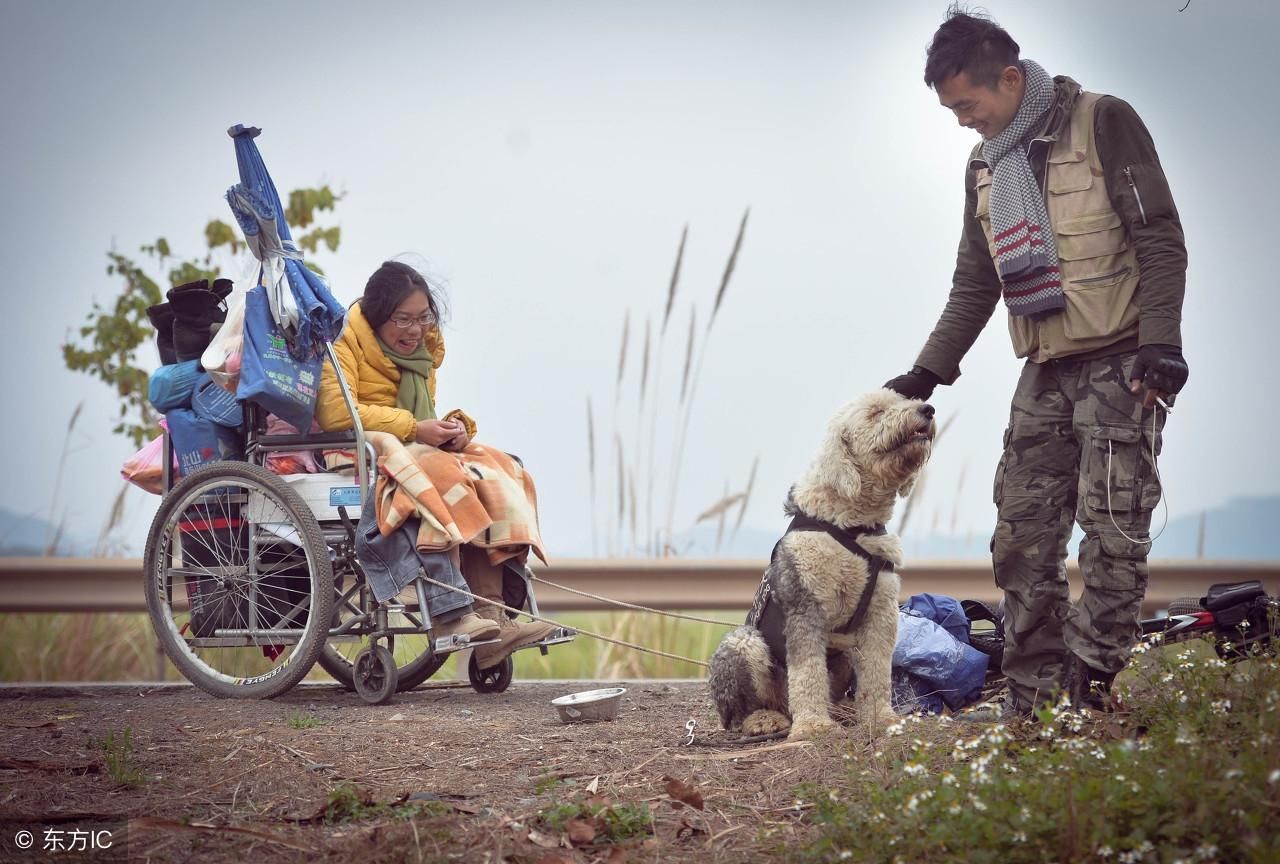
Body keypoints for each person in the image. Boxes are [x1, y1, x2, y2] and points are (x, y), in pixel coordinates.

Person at [883, 7, 1189, 716]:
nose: (962, 120)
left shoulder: (1105, 122)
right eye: (951, 109)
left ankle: (1089, 695)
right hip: (1044, 371)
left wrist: (1163, 343)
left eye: (968, 104)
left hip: (1123, 365)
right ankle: (1033, 701)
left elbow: (1160, 237)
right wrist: (926, 373)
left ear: (1012, 79)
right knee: (1021, 538)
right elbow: (975, 282)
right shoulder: (985, 163)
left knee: (1113, 535)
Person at [317, 260, 556, 668]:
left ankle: (492, 618)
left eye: (423, 317)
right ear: (376, 319)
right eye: (403, 319)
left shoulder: (422, 355)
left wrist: (454, 429)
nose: (415, 330)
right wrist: (415, 428)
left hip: (412, 446)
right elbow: (337, 413)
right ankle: (449, 612)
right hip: (361, 450)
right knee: (444, 472)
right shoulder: (343, 342)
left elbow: (423, 415)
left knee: (496, 470)